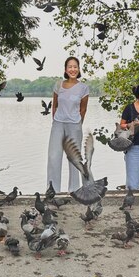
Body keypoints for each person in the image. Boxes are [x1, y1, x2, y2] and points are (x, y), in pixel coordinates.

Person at [47, 56, 90, 193]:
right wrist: (56, 119)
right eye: (70, 67)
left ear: (79, 69)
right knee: (53, 157)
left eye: (75, 66)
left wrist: (78, 123)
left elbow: (83, 109)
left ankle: (74, 190)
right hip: (58, 124)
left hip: (74, 126)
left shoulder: (83, 88)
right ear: (65, 69)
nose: (73, 69)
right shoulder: (58, 85)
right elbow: (55, 105)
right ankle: (52, 191)